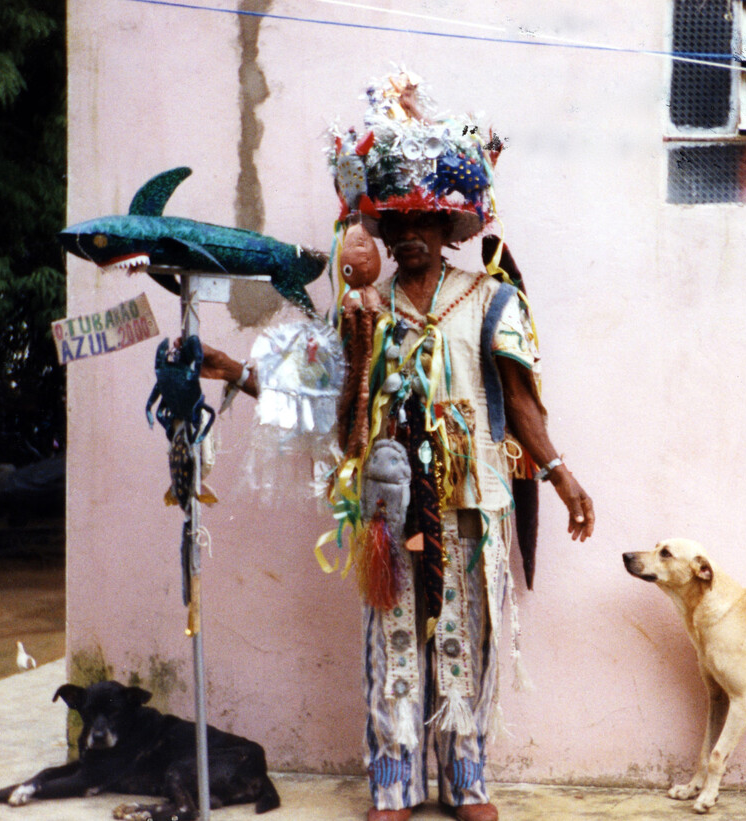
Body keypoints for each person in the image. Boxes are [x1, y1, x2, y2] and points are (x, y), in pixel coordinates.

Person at [200, 74, 594, 821]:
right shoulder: (362, 314)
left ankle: (467, 777)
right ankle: (393, 779)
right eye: (398, 217)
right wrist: (237, 372)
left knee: (460, 635)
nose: (410, 229)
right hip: (384, 503)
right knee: (391, 637)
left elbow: (518, 401)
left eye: (426, 216)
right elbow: (321, 392)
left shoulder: (491, 300)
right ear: (377, 229)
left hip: (472, 499)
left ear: (453, 227)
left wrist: (563, 476)